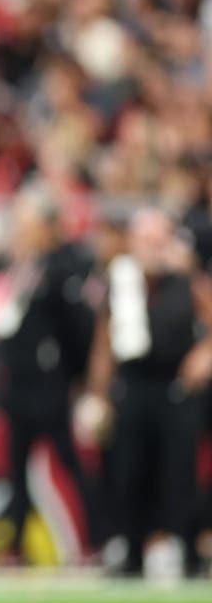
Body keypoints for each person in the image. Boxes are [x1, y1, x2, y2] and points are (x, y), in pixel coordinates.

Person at [83, 208, 212, 581]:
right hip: (133, 383)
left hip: (174, 384)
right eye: (147, 240)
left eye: (159, 239)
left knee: (179, 471)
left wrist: (203, 355)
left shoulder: (186, 278)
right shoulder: (121, 279)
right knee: (130, 470)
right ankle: (132, 550)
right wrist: (98, 392)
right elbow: (104, 339)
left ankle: (188, 550)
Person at [0, 190, 97, 565]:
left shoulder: (64, 265)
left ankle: (98, 539)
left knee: (69, 462)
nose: (21, 233)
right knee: (17, 467)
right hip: (18, 382)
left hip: (49, 383)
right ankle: (16, 546)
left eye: (27, 225)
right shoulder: (25, 269)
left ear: (46, 227)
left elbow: (79, 328)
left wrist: (75, 377)